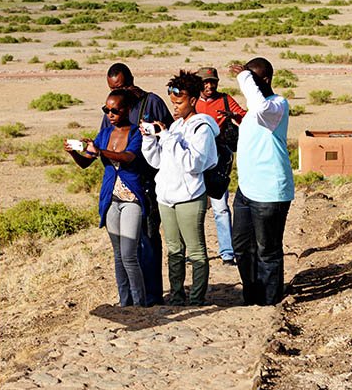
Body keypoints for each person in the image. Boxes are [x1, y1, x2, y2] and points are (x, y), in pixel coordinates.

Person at [140, 70, 219, 306]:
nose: (174, 107)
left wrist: (166, 137)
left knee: (195, 251)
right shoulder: (174, 127)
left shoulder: (202, 128)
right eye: (173, 102)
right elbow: (157, 162)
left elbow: (193, 164)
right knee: (174, 250)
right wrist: (149, 139)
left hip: (189, 196)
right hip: (166, 196)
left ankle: (196, 299)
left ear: (193, 100)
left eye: (179, 102)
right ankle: (176, 297)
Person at [67, 89, 147, 307]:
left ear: (127, 110)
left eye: (115, 110)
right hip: (111, 199)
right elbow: (86, 163)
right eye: (106, 110)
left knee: (129, 254)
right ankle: (124, 302)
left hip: (131, 199)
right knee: (118, 255)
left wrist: (100, 152)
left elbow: (128, 157)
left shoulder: (135, 133)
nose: (110, 114)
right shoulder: (104, 134)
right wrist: (74, 152)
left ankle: (140, 303)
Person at [102, 63, 172, 305]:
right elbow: (105, 142)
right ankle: (130, 299)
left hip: (148, 184)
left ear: (132, 80)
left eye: (121, 86)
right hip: (121, 188)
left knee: (149, 239)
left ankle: (152, 296)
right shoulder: (112, 108)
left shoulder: (151, 103)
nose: (119, 91)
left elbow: (170, 137)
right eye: (113, 88)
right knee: (125, 247)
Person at [228, 57, 294, 306]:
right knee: (242, 247)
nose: (249, 84)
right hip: (246, 190)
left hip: (269, 192)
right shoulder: (258, 110)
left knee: (268, 251)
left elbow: (259, 108)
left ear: (265, 80)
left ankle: (269, 302)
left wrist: (244, 76)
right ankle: (252, 297)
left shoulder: (277, 105)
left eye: (253, 79)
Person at [194, 66, 247, 266]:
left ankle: (227, 253)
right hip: (196, 159)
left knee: (220, 207)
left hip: (219, 159)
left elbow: (245, 116)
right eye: (205, 82)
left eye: (213, 82)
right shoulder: (191, 101)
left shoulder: (225, 100)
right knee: (195, 208)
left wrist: (233, 116)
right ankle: (196, 252)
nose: (209, 86)